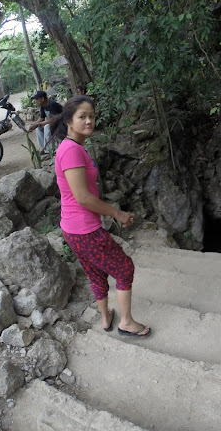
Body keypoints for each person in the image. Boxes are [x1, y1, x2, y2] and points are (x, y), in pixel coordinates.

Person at [53, 95, 151, 337]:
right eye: (82, 117)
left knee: (96, 273)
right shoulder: (71, 151)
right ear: (69, 121)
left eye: (92, 116)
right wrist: (117, 213)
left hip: (73, 228)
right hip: (84, 229)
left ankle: (106, 318)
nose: (89, 121)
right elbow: (83, 197)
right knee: (124, 268)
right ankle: (126, 322)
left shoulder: (72, 148)